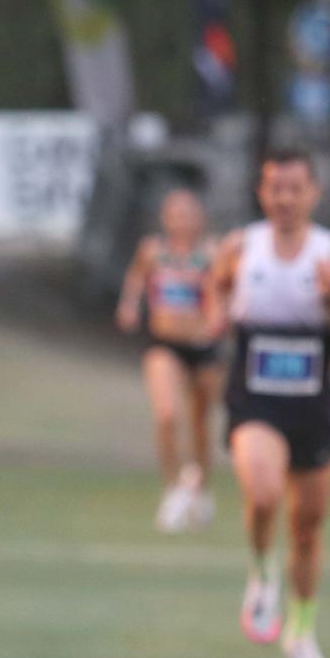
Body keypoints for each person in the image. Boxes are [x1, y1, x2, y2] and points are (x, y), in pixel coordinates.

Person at [203, 149, 330, 658]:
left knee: (307, 527)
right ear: (262, 193)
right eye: (276, 188)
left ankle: (301, 634)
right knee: (265, 492)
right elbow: (216, 289)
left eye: (296, 188)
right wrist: (216, 316)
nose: (286, 199)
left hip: (312, 403)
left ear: (314, 194)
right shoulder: (239, 247)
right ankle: (260, 572)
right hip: (255, 396)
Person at [116, 188, 221, 533]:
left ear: (199, 218)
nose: (182, 221)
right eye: (175, 214)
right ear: (165, 218)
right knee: (166, 415)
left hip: (203, 347)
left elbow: (224, 293)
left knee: (200, 423)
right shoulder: (153, 251)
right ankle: (174, 488)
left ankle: (201, 488)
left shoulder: (210, 253)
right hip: (163, 343)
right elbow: (135, 278)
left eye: (189, 213)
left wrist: (217, 320)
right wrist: (130, 305)